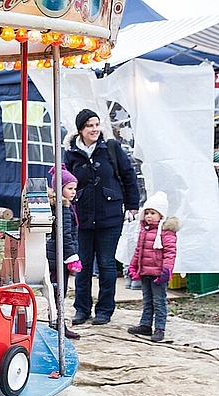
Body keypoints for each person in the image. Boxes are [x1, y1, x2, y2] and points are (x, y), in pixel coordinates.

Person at [64, 108, 140, 326]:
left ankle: (105, 310)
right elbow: (63, 181)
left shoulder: (111, 148)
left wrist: (132, 205)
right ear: (80, 130)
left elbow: (128, 176)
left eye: (96, 124)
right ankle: (82, 309)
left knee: (106, 264)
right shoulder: (70, 153)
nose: (94, 129)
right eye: (89, 125)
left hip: (110, 216)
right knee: (82, 264)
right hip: (82, 217)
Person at [126, 191, 180, 342]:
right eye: (147, 213)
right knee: (147, 299)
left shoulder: (166, 232)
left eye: (153, 213)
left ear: (161, 215)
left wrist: (167, 270)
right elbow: (139, 250)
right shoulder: (144, 230)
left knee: (159, 300)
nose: (149, 216)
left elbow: (170, 253)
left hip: (158, 274)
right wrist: (133, 266)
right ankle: (145, 324)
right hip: (145, 272)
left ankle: (159, 328)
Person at [46, 165, 82, 340]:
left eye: (75, 188)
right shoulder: (64, 209)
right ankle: (58, 324)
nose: (74, 192)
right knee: (59, 291)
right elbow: (64, 236)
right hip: (59, 257)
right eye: (69, 188)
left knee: (56, 290)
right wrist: (72, 257)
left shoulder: (63, 206)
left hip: (56, 256)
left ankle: (56, 322)